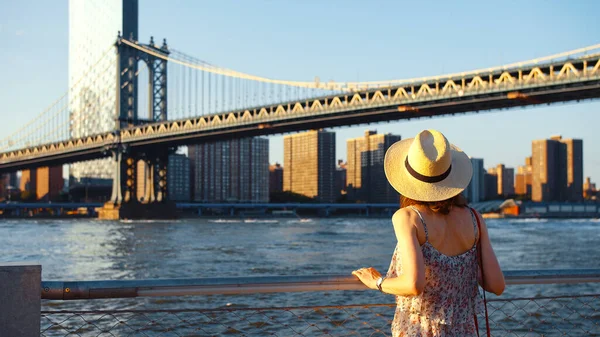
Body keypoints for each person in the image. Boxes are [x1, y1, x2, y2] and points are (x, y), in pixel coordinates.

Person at [352, 129, 505, 337]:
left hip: (420, 331)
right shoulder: (475, 219)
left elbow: (413, 284)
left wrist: (376, 282)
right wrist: (459, 273)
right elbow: (496, 285)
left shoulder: (408, 217)